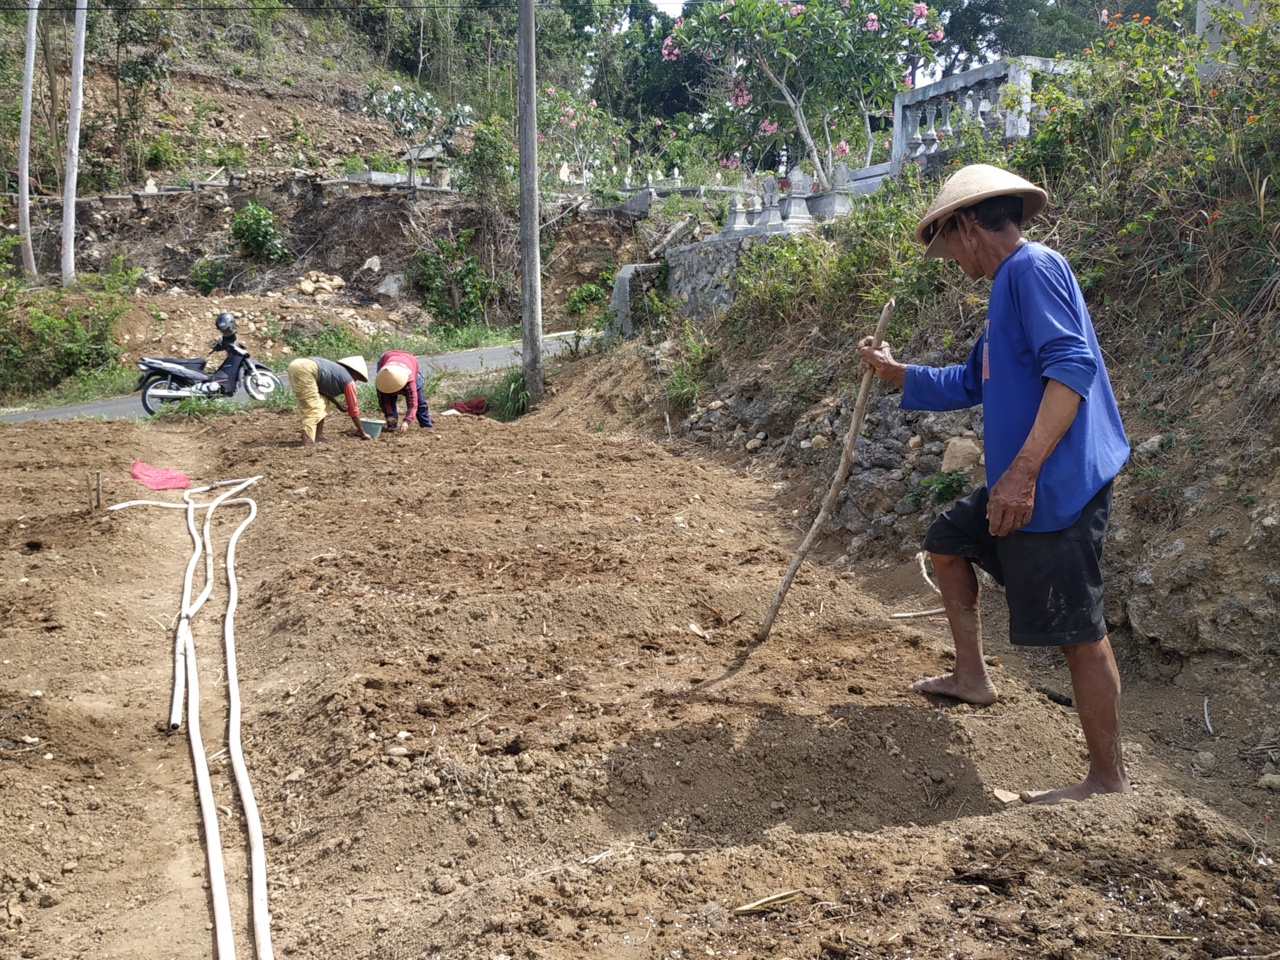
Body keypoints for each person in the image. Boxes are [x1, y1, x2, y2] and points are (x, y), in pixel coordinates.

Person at [858, 164, 1131, 805]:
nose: (950, 256)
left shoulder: (1031, 270)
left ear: (968, 224)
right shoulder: (1010, 285)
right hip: (1027, 482)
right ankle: (972, 676)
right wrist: (895, 372)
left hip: (1053, 486)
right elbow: (974, 379)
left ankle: (1108, 780)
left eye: (947, 241)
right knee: (948, 540)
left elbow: (1072, 369)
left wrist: (1022, 474)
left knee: (1079, 630)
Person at [286, 354, 373, 446]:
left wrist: (337, 404)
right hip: (306, 370)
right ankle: (306, 442)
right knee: (312, 409)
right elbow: (353, 410)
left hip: (298, 365)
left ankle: (318, 436)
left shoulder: (336, 371)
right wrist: (362, 433)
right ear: (355, 374)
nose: (355, 381)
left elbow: (322, 391)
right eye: (357, 379)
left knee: (322, 402)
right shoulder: (349, 382)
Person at [374, 349, 434, 432]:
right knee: (389, 400)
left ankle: (426, 426)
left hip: (409, 361)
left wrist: (407, 421)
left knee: (420, 403)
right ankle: (392, 425)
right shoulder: (382, 379)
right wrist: (389, 415)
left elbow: (413, 403)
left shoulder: (410, 381)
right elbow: (384, 400)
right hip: (386, 359)